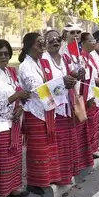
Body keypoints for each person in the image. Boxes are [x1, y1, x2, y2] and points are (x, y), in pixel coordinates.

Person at [0, 39, 30, 197]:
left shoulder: (10, 72)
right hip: (0, 124)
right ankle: (0, 191)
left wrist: (20, 107)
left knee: (15, 157)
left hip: (14, 122)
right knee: (3, 160)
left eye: (6, 53)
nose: (3, 56)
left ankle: (14, 188)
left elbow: (19, 94)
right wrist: (15, 96)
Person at [18, 32, 61, 195]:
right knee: (38, 149)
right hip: (34, 112)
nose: (42, 47)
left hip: (47, 109)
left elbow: (48, 83)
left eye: (43, 43)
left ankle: (46, 178)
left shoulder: (41, 63)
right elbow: (35, 89)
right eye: (39, 44)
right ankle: (34, 182)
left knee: (47, 147)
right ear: (29, 47)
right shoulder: (25, 66)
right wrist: (59, 85)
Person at [42, 30, 80, 185]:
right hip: (53, 109)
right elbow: (45, 84)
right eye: (50, 40)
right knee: (56, 144)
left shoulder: (64, 58)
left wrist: (77, 74)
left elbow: (70, 74)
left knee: (67, 142)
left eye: (57, 39)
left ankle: (66, 175)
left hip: (66, 105)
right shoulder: (44, 60)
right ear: (45, 43)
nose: (54, 42)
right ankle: (56, 178)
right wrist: (62, 82)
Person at [80, 32, 99, 159]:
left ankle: (94, 146)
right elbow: (86, 79)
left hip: (94, 93)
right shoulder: (81, 58)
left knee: (94, 122)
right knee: (89, 123)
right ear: (83, 43)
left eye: (94, 39)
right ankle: (89, 149)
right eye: (91, 40)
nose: (94, 42)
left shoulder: (90, 56)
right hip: (87, 96)